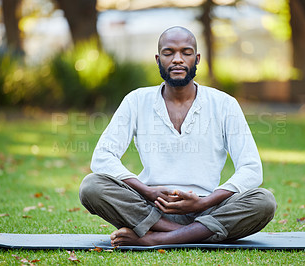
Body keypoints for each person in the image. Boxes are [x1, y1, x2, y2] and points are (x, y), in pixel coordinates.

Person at [79, 26, 277, 246]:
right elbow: (102, 156)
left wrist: (203, 203)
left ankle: (156, 239)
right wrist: (148, 191)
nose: (177, 59)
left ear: (197, 58)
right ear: (158, 59)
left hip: (208, 208)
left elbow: (251, 168)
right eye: (169, 52)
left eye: (186, 52)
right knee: (92, 186)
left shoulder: (224, 104)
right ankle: (188, 234)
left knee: (264, 201)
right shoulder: (136, 100)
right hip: (151, 208)